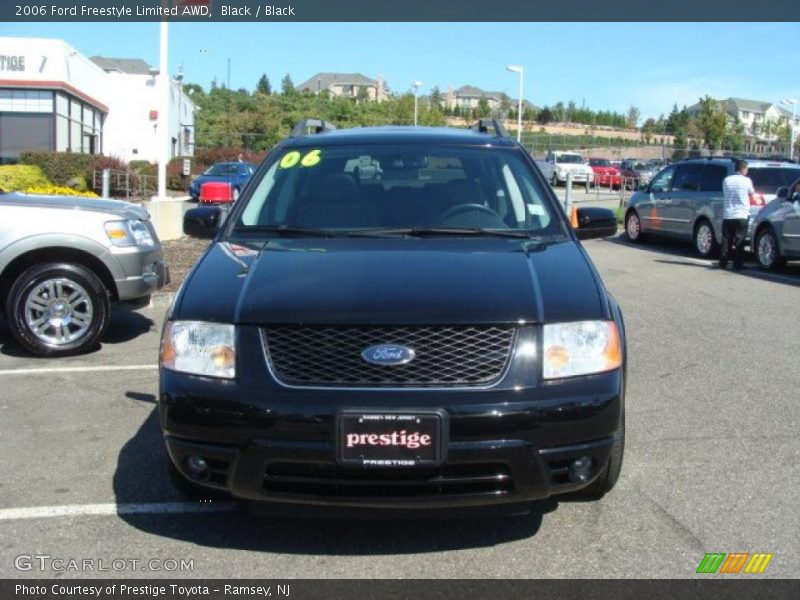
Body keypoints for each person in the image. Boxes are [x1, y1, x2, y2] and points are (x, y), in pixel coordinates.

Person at [719, 159, 755, 270]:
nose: (747, 172)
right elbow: (751, 192)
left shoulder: (726, 180)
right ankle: (737, 263)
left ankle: (723, 262)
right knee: (740, 239)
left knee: (726, 239)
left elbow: (725, 193)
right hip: (742, 214)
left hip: (728, 214)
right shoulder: (747, 180)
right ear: (743, 169)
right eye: (746, 169)